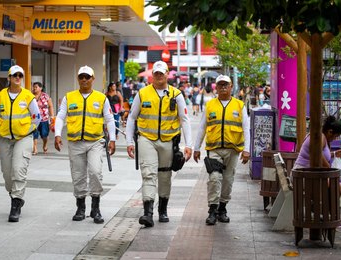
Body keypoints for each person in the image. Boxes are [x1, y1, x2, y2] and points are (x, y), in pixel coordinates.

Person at [126, 60, 193, 227]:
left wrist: (189, 145)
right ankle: (147, 213)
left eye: (161, 73)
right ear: (152, 75)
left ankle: (162, 210)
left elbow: (184, 120)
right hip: (146, 139)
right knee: (148, 173)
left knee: (165, 175)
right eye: (155, 73)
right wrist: (129, 141)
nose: (158, 76)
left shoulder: (176, 95)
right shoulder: (142, 94)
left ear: (167, 74)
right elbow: (132, 117)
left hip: (168, 141)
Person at [54, 65, 116, 224]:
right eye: (81, 77)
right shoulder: (69, 97)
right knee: (78, 175)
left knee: (95, 172)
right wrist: (57, 134)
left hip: (95, 141)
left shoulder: (101, 98)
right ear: (78, 79)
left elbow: (109, 119)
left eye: (87, 77)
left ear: (93, 79)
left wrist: (113, 139)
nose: (84, 80)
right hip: (75, 143)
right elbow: (61, 116)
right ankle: (80, 207)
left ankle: (96, 208)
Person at [193, 75, 250, 225]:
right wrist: (196, 148)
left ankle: (222, 209)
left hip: (232, 150)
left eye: (226, 85)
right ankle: (212, 210)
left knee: (227, 180)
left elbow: (246, 129)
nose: (223, 87)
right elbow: (202, 127)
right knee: (214, 179)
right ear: (216, 88)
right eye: (220, 85)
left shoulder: (239, 105)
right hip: (214, 149)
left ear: (231, 87)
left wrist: (247, 150)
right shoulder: (210, 105)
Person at [0, 65, 41, 222]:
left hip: (23, 138)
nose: (18, 77)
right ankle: (15, 195)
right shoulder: (0, 96)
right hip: (5, 139)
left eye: (20, 75)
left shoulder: (28, 96)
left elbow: (37, 117)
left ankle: (15, 204)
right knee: (7, 174)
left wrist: (28, 130)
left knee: (18, 169)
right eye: (14, 75)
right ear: (9, 78)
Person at [293, 116, 341, 197]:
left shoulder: (320, 137)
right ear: (330, 132)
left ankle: (324, 208)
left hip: (305, 175)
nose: (334, 139)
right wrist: (329, 168)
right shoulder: (320, 137)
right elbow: (317, 154)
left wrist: (333, 154)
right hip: (304, 177)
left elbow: (319, 153)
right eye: (335, 136)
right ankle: (324, 208)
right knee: (339, 188)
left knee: (337, 187)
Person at [32, 82, 54, 155]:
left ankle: (45, 144)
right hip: (34, 119)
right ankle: (34, 148)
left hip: (44, 119)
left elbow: (50, 106)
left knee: (44, 135)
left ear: (40, 88)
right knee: (34, 134)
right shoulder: (30, 96)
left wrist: (52, 116)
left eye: (36, 87)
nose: (34, 88)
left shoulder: (45, 96)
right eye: (33, 87)